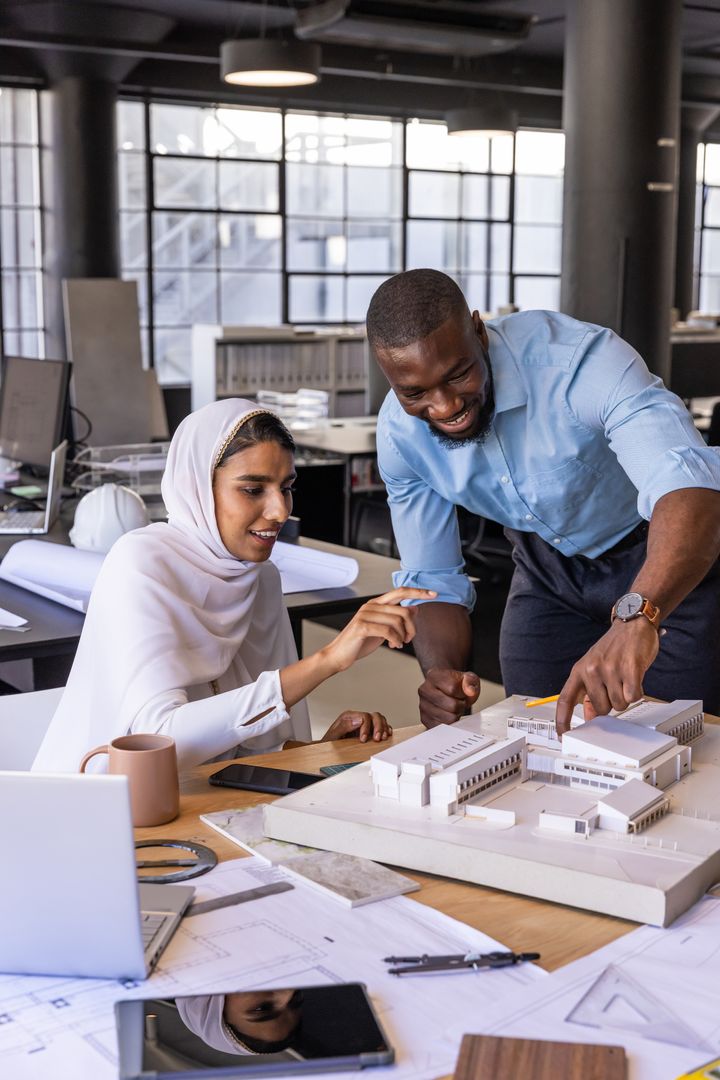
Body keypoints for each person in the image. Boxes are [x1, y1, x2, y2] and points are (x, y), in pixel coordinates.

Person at [367, 269, 720, 733]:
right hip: (547, 568)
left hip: (663, 557)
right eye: (415, 392)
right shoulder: (399, 436)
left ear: (478, 331)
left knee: (678, 742)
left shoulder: (578, 363)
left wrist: (640, 615)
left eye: (459, 374)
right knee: (533, 737)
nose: (446, 405)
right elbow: (433, 579)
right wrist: (440, 676)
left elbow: (689, 487)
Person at [32, 399, 432, 772]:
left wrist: (320, 748)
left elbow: (257, 743)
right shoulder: (142, 563)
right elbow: (158, 742)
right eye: (253, 490)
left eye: (287, 488)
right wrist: (326, 661)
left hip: (203, 799)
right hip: (108, 811)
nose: (279, 511)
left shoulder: (259, 576)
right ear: (199, 488)